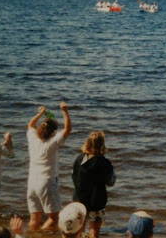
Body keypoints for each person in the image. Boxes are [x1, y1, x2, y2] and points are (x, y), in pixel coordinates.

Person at [26, 102, 72, 231]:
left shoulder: (33, 139)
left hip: (32, 183)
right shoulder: (52, 143)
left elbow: (30, 125)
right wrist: (65, 111)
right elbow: (67, 129)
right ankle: (40, 234)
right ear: (52, 133)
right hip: (46, 183)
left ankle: (32, 234)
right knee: (54, 218)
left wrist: (40, 113)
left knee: (34, 219)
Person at [72, 131, 116, 238]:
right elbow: (111, 182)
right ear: (102, 145)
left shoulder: (79, 159)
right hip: (96, 202)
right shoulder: (104, 162)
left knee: (79, 230)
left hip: (79, 199)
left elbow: (74, 177)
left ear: (87, 143)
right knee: (94, 232)